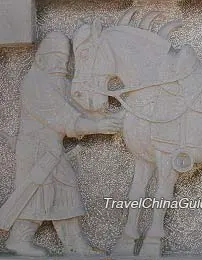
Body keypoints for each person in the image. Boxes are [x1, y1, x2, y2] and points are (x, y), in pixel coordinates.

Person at [0, 31, 121, 256]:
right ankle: (61, 244)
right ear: (41, 58)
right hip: (37, 149)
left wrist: (109, 109)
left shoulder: (59, 82)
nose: (59, 63)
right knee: (39, 192)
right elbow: (63, 118)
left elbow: (81, 106)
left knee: (53, 191)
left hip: (50, 148)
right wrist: (97, 126)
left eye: (63, 58)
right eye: (53, 56)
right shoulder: (35, 83)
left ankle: (64, 244)